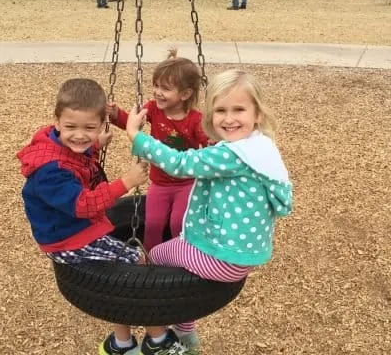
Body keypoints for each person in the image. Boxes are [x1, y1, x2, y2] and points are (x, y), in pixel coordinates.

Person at [124, 69, 293, 354]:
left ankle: (157, 338)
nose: (228, 118)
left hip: (221, 258)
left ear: (258, 114)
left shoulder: (230, 155)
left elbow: (177, 163)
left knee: (156, 255)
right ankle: (187, 337)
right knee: (178, 262)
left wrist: (135, 135)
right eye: (220, 110)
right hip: (243, 255)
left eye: (238, 109)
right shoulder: (261, 147)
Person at [17, 78, 150, 355]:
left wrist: (95, 145)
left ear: (102, 124)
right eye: (71, 127)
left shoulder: (56, 143)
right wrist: (126, 182)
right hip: (68, 238)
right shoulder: (50, 170)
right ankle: (131, 342)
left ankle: (122, 342)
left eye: (90, 128)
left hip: (74, 228)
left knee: (132, 261)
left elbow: (74, 155)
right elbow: (83, 205)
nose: (80, 135)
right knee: (136, 263)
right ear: (57, 122)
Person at [109, 48, 208, 253]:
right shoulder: (153, 108)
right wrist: (116, 114)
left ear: (185, 94)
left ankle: (180, 256)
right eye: (155, 85)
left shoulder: (196, 120)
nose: (157, 92)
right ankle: (150, 261)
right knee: (153, 224)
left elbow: (208, 146)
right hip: (159, 182)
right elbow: (132, 124)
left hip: (187, 183)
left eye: (165, 88)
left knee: (177, 224)